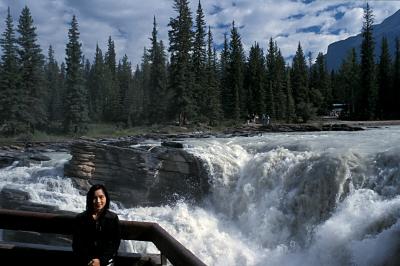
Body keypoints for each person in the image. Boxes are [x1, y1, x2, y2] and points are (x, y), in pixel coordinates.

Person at [73, 184, 121, 266]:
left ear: (106, 198)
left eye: (101, 197)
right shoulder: (81, 218)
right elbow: (77, 244)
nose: (98, 201)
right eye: (94, 198)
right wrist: (89, 260)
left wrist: (101, 261)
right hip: (85, 261)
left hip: (106, 261)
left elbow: (115, 244)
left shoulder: (112, 218)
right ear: (90, 199)